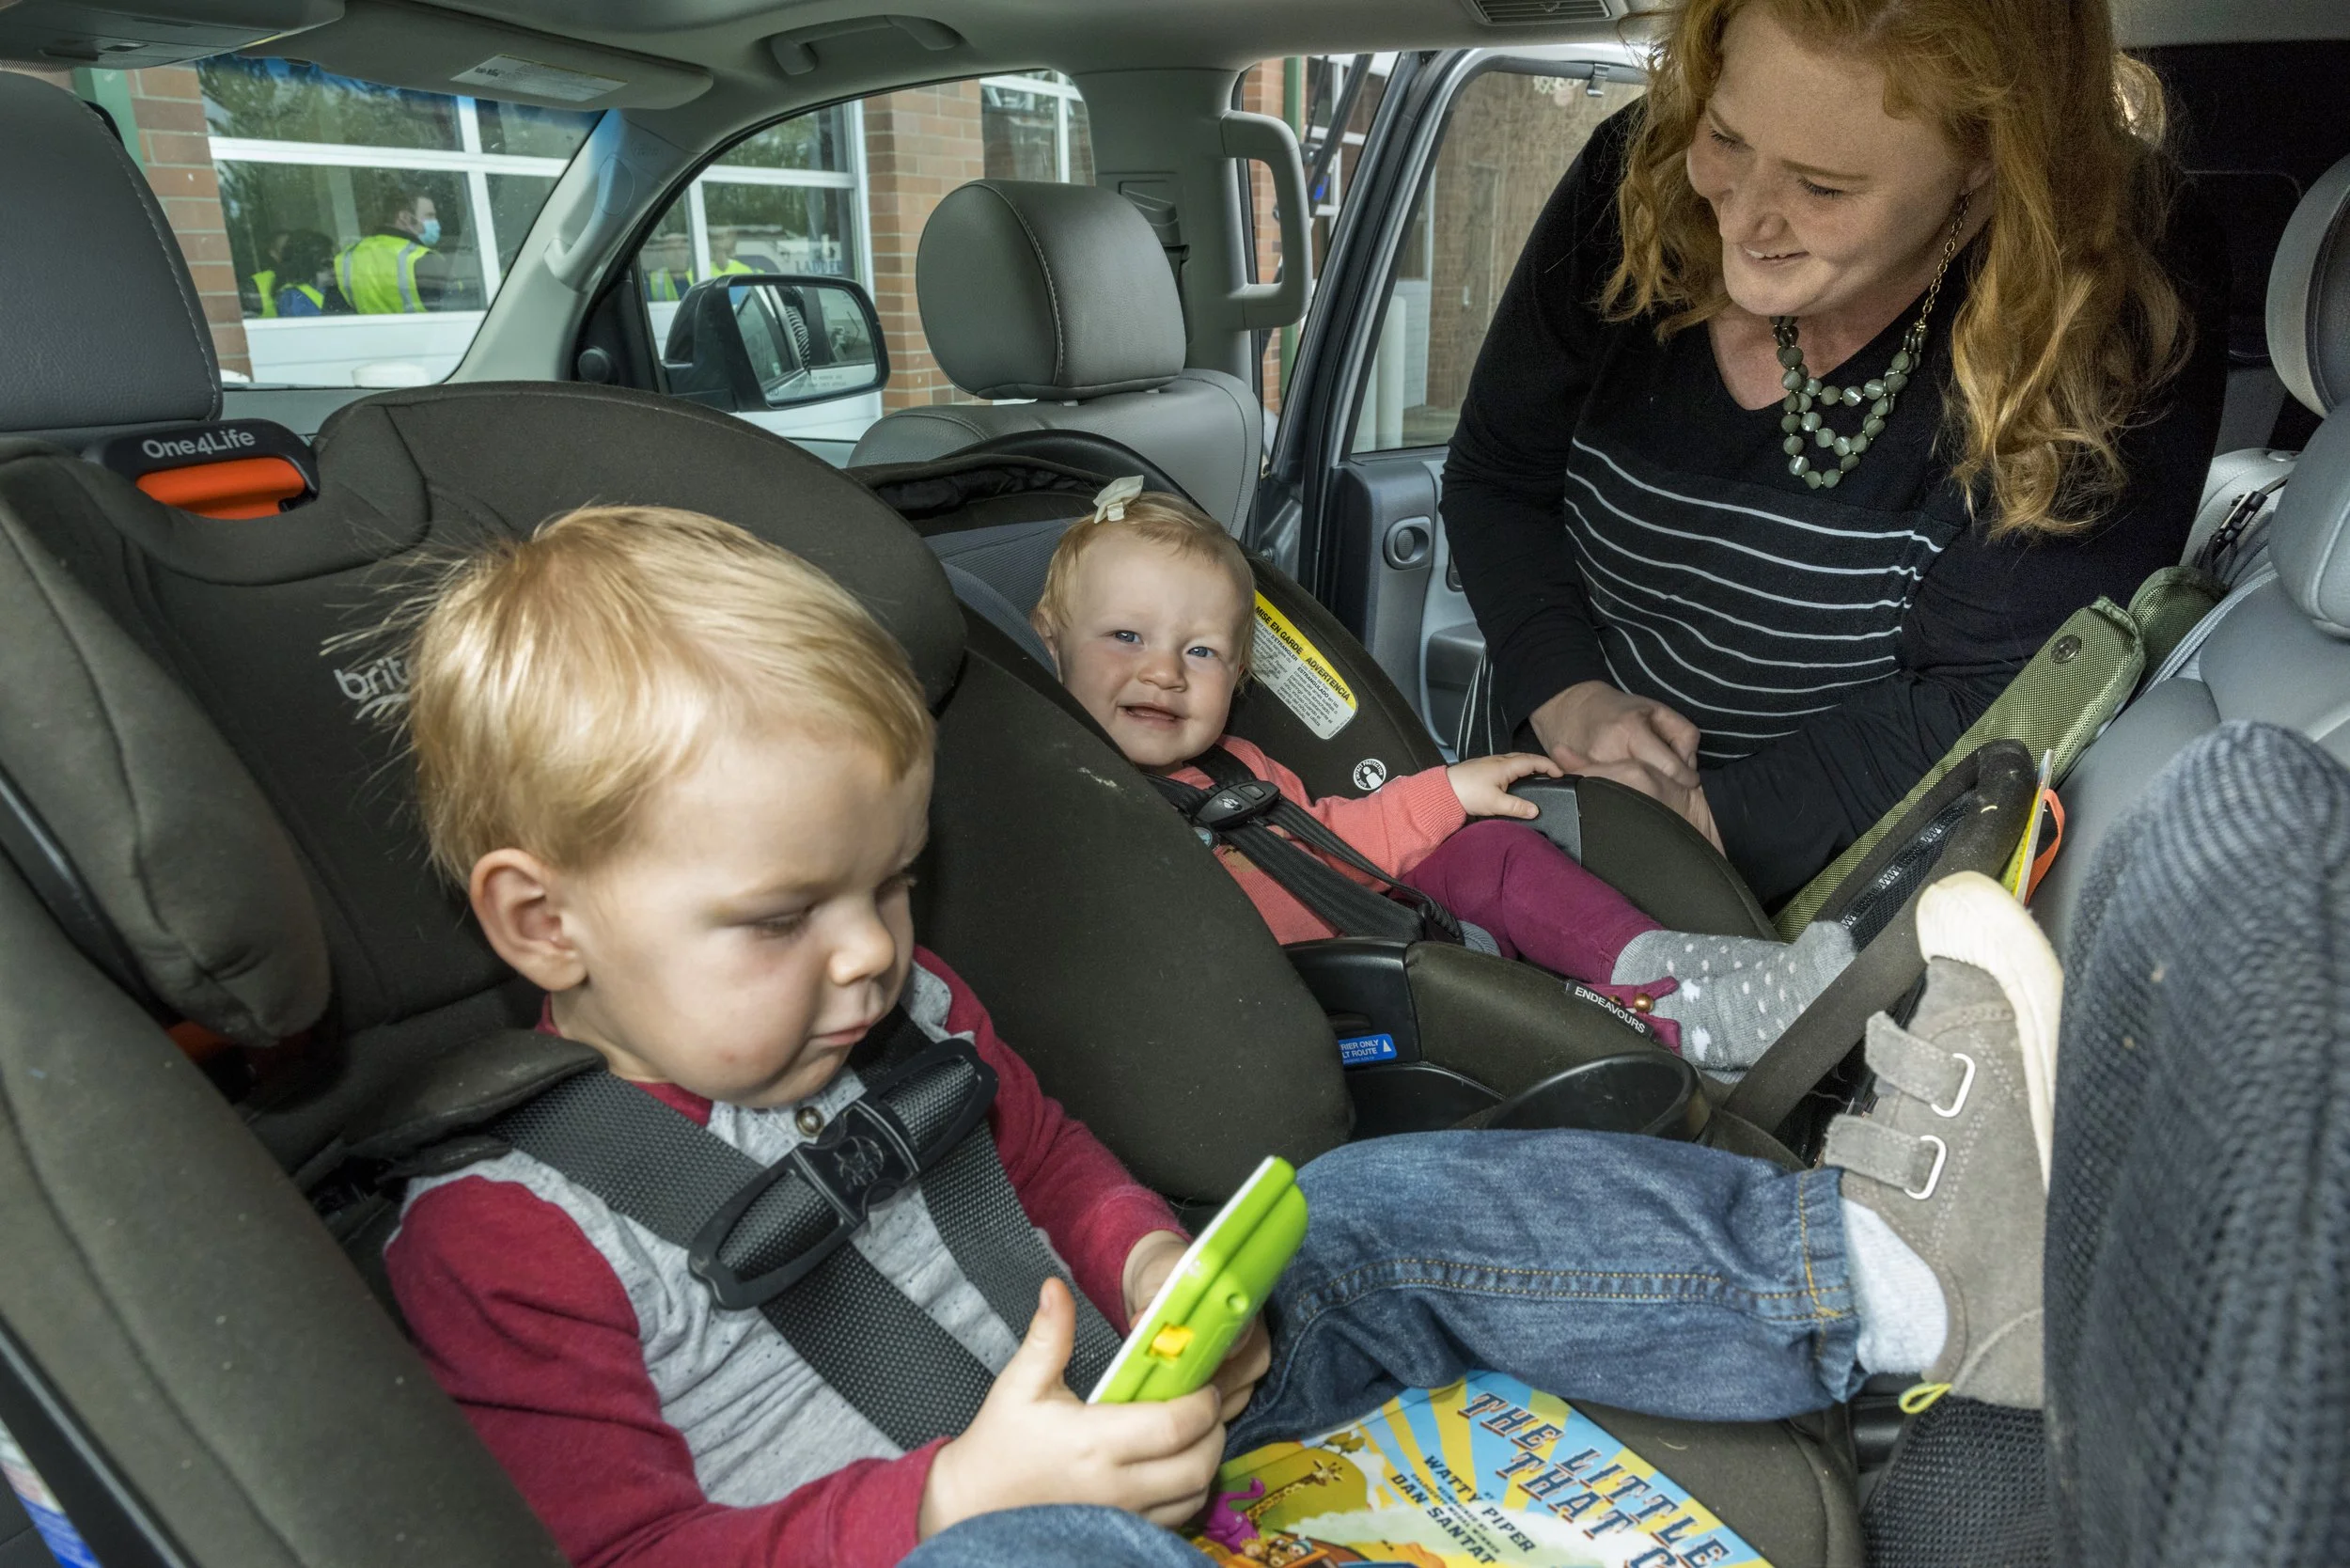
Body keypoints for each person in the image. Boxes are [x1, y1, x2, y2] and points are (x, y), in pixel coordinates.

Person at [379, 504, 2055, 1568]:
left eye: (891, 886)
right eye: (780, 916)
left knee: (1351, 1208)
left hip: (1123, 1419)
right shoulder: (512, 1237)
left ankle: (1895, 1273)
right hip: (937, 1534)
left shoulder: (908, 1009)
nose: (870, 955)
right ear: (547, 920)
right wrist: (959, 1496)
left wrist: (1152, 1273)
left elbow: (1039, 1151)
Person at [1441, 0, 2229, 906]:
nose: (1744, 218)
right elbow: (1498, 477)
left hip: (1784, 913)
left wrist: (1692, 831)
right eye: (1727, 136)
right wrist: (1567, 695)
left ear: (1987, 161)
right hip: (1530, 804)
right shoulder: (1644, 181)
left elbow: (1996, 684)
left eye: (1823, 187)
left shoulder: (2103, 290)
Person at [1028, 482, 1853, 1071]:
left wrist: (1448, 794)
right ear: (1051, 639)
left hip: (1381, 927)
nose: (1165, 672)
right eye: (1125, 637)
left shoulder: (1236, 766)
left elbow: (1332, 840)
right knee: (1499, 985)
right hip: (1310, 1011)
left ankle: (1690, 972)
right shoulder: (1063, 793)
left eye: (1200, 651)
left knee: (1493, 851)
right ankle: (1690, 1032)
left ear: (1239, 672)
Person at [335, 191, 443, 314]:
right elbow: (450, 312)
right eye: (429, 216)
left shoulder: (347, 257)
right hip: (419, 332)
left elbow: (335, 312)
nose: (435, 222)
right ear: (405, 218)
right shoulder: (423, 258)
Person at [269, 229, 341, 317]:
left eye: (337, 263)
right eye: (327, 264)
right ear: (307, 265)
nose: (334, 269)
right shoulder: (293, 297)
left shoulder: (333, 289)